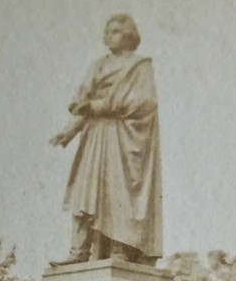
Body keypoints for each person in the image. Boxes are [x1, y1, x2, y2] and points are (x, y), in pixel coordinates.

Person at [50, 14, 162, 266]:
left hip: (124, 136)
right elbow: (84, 105)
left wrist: (101, 105)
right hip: (95, 136)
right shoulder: (98, 65)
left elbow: (143, 102)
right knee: (85, 191)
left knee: (118, 192)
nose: (108, 36)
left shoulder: (140, 66)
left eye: (115, 31)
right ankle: (79, 250)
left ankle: (120, 248)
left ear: (129, 35)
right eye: (107, 31)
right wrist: (69, 131)